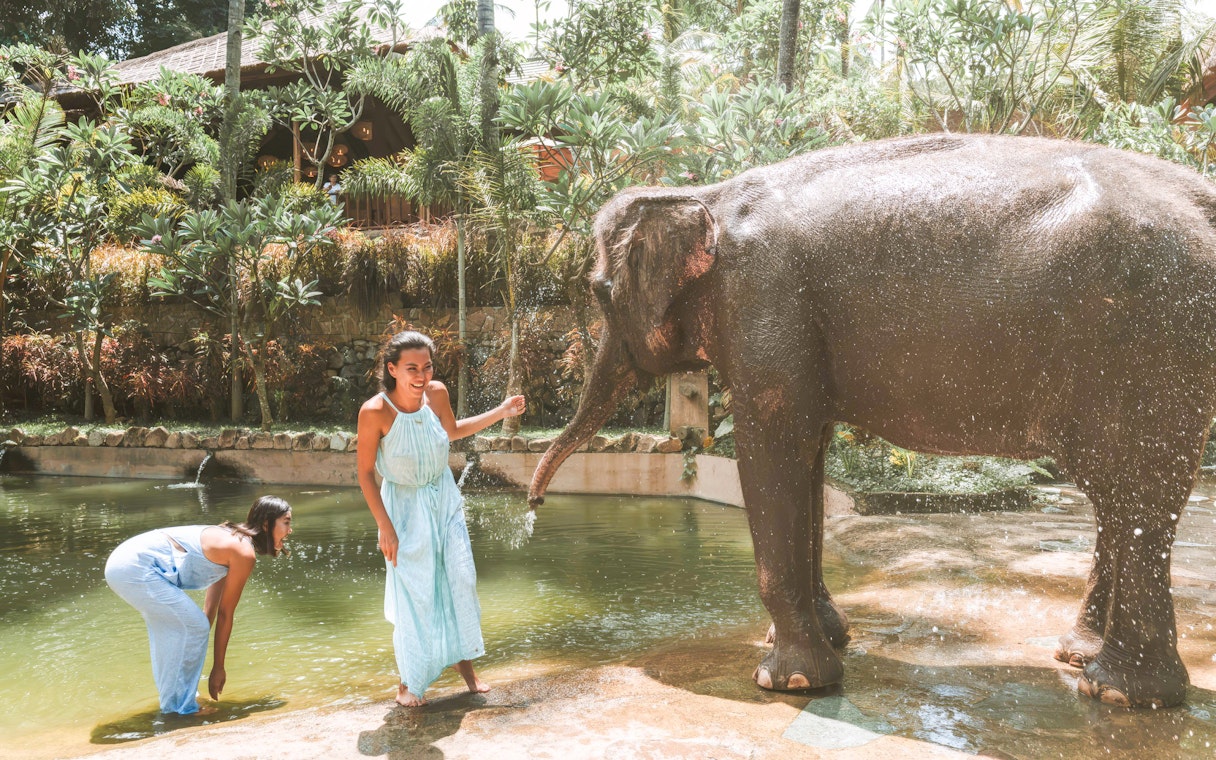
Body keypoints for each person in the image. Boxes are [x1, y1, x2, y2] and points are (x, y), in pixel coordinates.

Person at [357, 330, 525, 706]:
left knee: (460, 579)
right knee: (416, 594)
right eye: (412, 368)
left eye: (427, 366)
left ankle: (465, 667)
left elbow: (452, 432)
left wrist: (501, 411)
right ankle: (409, 681)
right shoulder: (375, 411)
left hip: (444, 498)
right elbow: (365, 473)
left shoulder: (437, 394)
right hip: (403, 509)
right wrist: (385, 525)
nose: (421, 375)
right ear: (393, 370)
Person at [104, 496, 294, 715]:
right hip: (134, 567)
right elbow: (226, 613)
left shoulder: (231, 539)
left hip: (124, 563)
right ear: (266, 524)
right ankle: (182, 709)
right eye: (286, 522)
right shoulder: (244, 552)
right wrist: (218, 668)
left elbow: (211, 609)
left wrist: (204, 650)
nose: (290, 530)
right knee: (193, 626)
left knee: (186, 627)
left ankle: (180, 699)